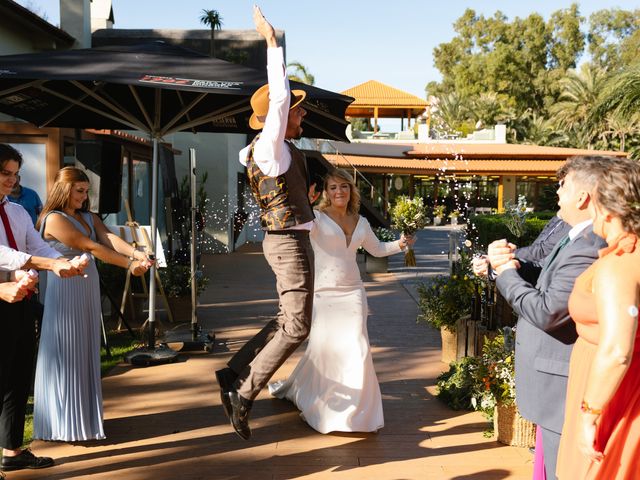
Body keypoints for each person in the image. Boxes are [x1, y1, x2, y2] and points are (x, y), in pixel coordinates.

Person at [214, 5, 313, 441]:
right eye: (296, 109)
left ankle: (235, 369)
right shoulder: (271, 145)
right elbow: (278, 97)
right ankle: (244, 391)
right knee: (297, 326)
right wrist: (272, 45)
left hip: (290, 240)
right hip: (287, 244)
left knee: (287, 318)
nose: (300, 113)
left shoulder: (274, 151)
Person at [487, 156, 607, 479]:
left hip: (562, 382)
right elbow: (543, 274)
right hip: (551, 380)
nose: (557, 193)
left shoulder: (590, 244)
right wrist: (509, 264)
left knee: (560, 471)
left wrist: (504, 275)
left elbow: (548, 311)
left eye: (563, 186)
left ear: (582, 197)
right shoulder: (575, 236)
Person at [269, 169, 414, 433]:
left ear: (351, 190)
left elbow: (377, 249)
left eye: (344, 187)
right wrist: (305, 206)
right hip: (325, 293)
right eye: (333, 187)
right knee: (326, 349)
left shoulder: (361, 221)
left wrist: (402, 244)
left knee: (357, 347)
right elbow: (290, 228)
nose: (339, 192)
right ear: (326, 192)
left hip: (353, 292)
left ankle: (357, 412)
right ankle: (323, 403)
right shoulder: (315, 218)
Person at [33, 167, 152, 442]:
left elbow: (108, 238)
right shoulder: (53, 219)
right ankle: (60, 423)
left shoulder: (88, 216)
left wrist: (138, 254)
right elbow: (91, 246)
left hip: (86, 289)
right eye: (79, 191)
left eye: (87, 191)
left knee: (86, 348)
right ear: (64, 189)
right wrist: (130, 266)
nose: (84, 197)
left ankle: (83, 419)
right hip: (64, 290)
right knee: (66, 350)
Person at [0, 144, 83, 473]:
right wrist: (46, 263)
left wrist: (67, 263)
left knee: (19, 378)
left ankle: (12, 451)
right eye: (5, 173)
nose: (11, 180)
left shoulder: (18, 212)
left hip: (20, 303)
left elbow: (36, 245)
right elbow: (5, 255)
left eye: (14, 173)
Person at [556, 156, 640, 479]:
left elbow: (618, 350)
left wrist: (589, 415)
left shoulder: (620, 262)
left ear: (607, 209)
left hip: (616, 401)